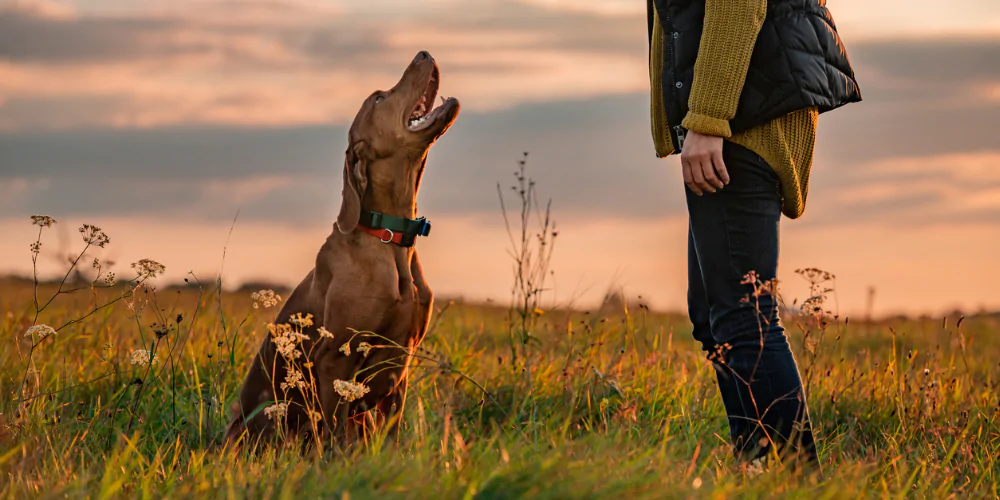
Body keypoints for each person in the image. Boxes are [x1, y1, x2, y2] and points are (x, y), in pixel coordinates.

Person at [646, 0, 861, 468]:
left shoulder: (720, 121)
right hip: (737, 118)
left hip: (742, 121)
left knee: (744, 319)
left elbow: (737, 5)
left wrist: (705, 118)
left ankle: (797, 480)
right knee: (715, 318)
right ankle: (757, 468)